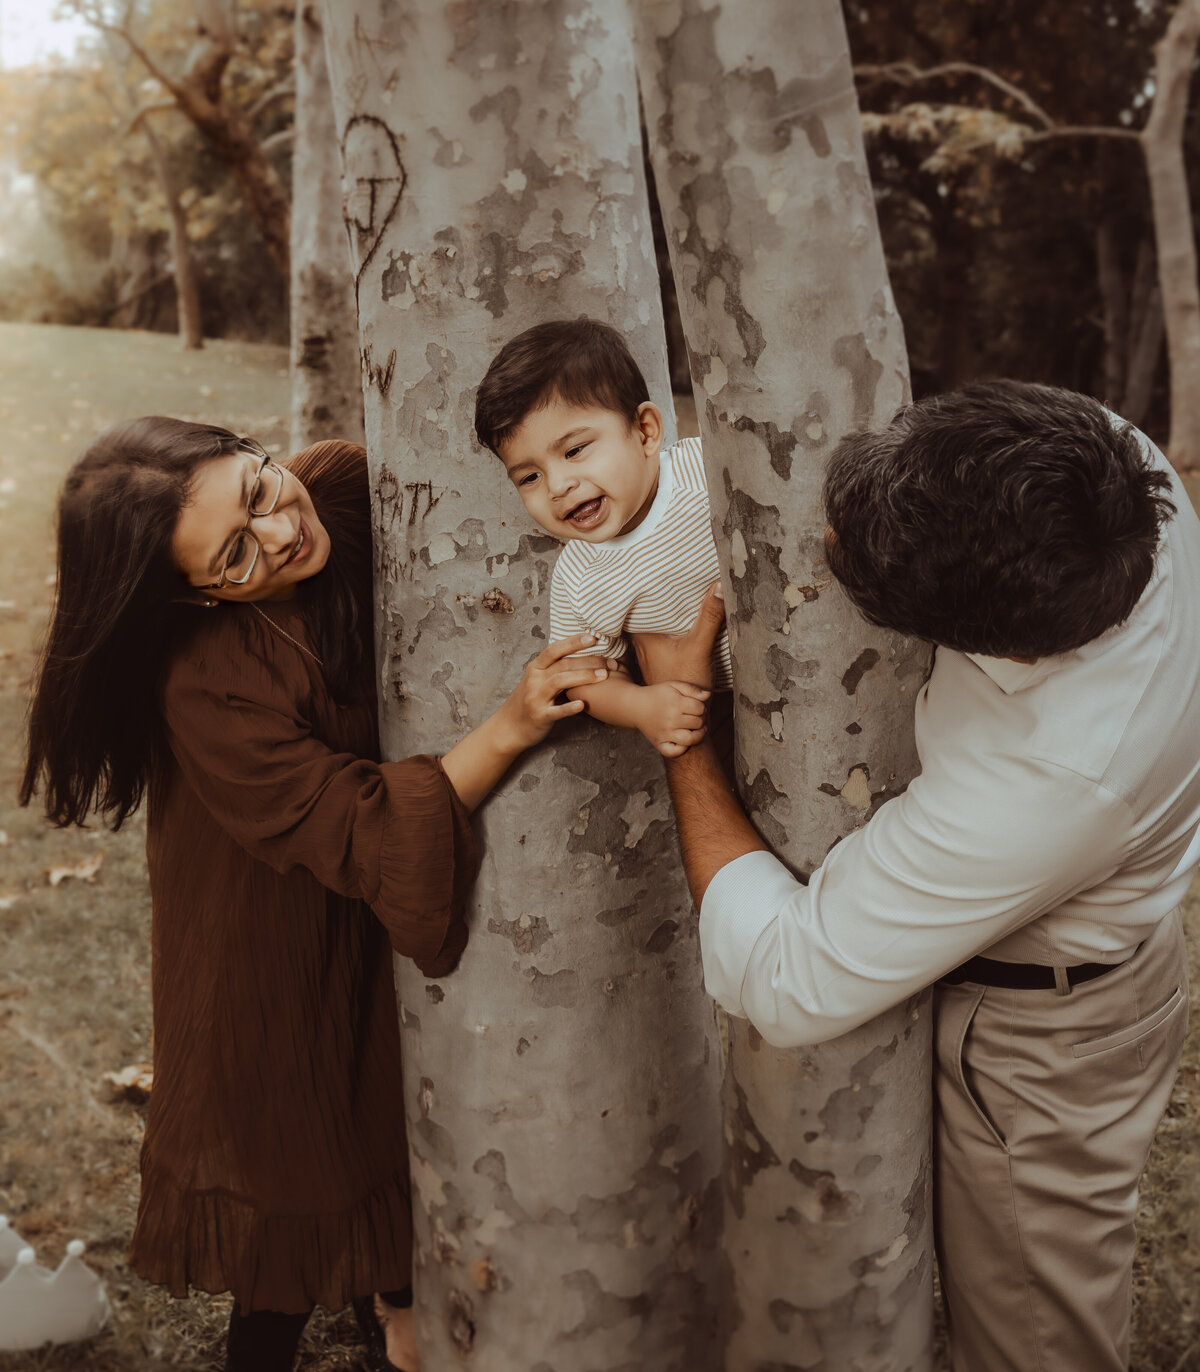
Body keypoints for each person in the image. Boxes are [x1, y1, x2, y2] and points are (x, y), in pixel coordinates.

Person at [20, 420, 612, 1372]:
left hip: (358, 901)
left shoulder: (333, 488)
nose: (279, 532)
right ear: (195, 592)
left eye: (256, 488)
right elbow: (363, 819)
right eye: (235, 554)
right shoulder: (207, 681)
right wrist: (510, 725)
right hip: (259, 933)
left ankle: (401, 1306)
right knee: (296, 1154)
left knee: (386, 1106)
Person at [631, 382, 1199, 1372]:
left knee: (1035, 1342)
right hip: (1074, 941)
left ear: (993, 644)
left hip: (1041, 1053)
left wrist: (678, 722)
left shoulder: (1057, 776)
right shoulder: (1106, 455)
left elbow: (787, 974)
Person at [474, 317, 723, 758]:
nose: (557, 485)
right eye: (530, 476)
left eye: (574, 450)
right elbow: (581, 675)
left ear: (645, 431)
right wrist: (641, 705)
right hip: (721, 715)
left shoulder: (703, 471)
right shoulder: (580, 577)